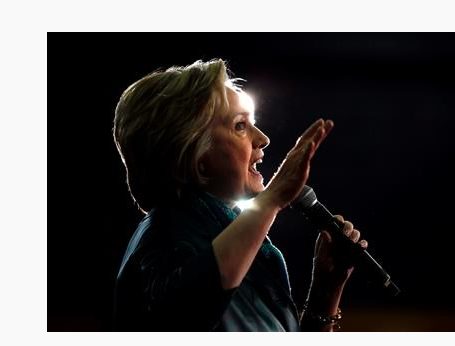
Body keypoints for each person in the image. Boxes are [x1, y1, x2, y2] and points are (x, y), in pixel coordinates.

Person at [112, 59, 368, 331]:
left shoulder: (241, 244)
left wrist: (324, 296)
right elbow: (185, 315)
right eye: (240, 126)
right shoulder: (162, 236)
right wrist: (271, 200)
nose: (263, 138)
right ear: (194, 155)